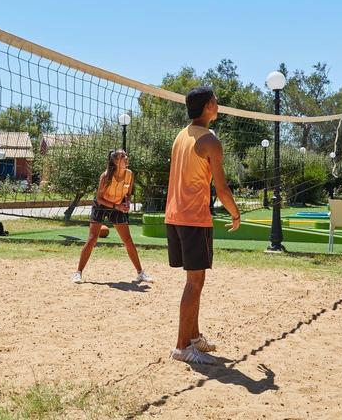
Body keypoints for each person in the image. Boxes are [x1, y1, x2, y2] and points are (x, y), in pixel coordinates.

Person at [166, 86, 241, 364]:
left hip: (174, 217)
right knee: (194, 282)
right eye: (216, 101)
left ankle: (194, 337)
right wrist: (236, 213)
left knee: (195, 281)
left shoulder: (181, 135)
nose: (218, 105)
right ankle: (182, 347)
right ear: (209, 105)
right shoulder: (210, 140)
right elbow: (221, 189)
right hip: (194, 218)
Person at [71, 149, 153, 284]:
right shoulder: (105, 176)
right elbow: (99, 198)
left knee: (127, 240)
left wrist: (127, 203)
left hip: (118, 205)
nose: (126, 158)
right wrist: (117, 207)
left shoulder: (130, 174)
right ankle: (78, 273)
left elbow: (128, 193)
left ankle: (140, 273)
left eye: (126, 155)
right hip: (101, 205)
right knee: (92, 239)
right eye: (122, 156)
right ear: (115, 161)